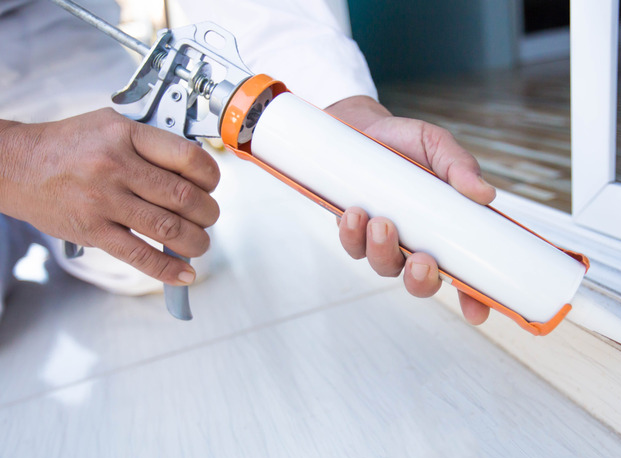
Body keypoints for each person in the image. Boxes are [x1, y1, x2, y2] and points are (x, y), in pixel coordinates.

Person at [0, 0, 494, 324]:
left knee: (156, 233)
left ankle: (44, 216)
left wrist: (340, 114)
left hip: (50, 36)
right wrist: (19, 163)